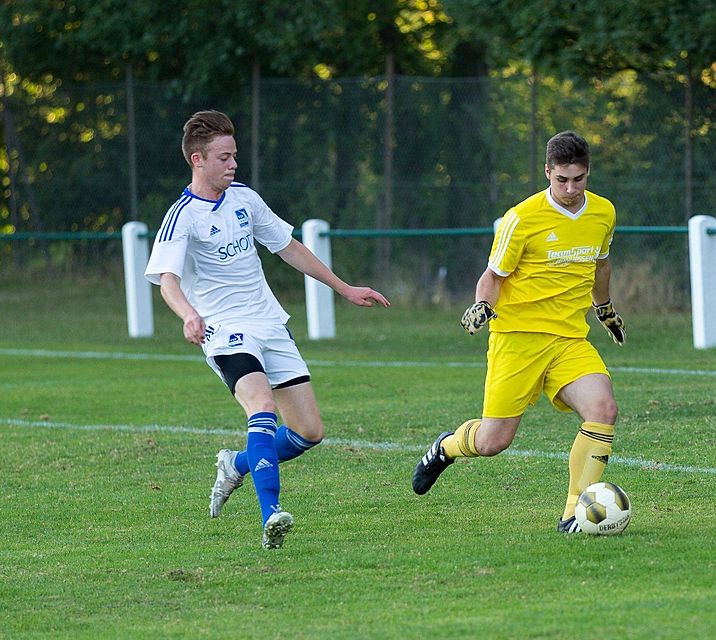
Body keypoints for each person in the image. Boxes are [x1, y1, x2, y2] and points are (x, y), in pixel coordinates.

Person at [145, 110, 390, 549]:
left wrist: (344, 288)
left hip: (269, 323)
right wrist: (187, 314)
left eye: (235, 155)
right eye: (223, 157)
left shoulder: (245, 199)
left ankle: (236, 464)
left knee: (309, 432)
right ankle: (270, 514)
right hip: (223, 330)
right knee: (261, 407)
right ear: (197, 160)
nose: (233, 164)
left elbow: (289, 249)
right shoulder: (182, 215)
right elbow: (167, 280)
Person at [412, 130, 625, 533]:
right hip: (518, 340)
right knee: (494, 442)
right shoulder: (521, 218)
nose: (569, 188)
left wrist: (605, 308)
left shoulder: (603, 213)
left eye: (578, 179)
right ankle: (445, 448)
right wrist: (482, 306)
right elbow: (494, 275)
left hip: (568, 339)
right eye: (561, 179)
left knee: (603, 409)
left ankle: (574, 514)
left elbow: (601, 265)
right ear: (547, 172)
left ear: (587, 174)